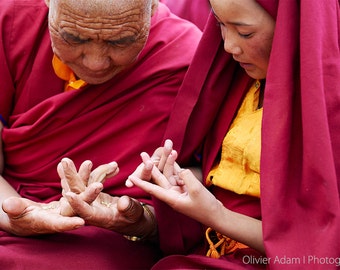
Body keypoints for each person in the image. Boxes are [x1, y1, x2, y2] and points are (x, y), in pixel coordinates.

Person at [127, 0, 340, 269]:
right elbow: (227, 178)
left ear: (296, 28)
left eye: (245, 33)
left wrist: (218, 216)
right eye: (220, 25)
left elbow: (321, 247)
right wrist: (178, 178)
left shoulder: (329, 104)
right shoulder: (241, 84)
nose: (228, 46)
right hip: (210, 250)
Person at [0, 0, 203, 269]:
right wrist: (11, 215)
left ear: (153, 6)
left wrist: (144, 222)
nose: (96, 63)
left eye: (120, 42)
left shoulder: (186, 59)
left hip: (108, 236)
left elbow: (208, 177)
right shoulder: (11, 22)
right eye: (73, 37)